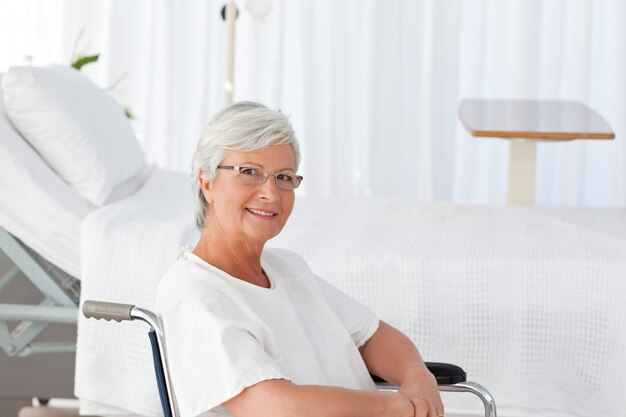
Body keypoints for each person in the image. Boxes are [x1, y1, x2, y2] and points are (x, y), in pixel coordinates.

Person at [156, 101, 444, 417]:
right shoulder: (194, 293)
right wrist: (393, 407)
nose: (271, 193)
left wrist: (418, 377)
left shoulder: (288, 268)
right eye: (249, 172)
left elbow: (372, 336)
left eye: (284, 176)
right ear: (206, 182)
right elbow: (276, 406)